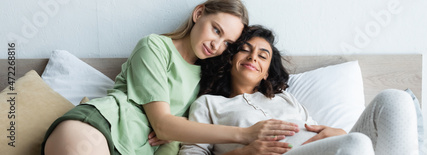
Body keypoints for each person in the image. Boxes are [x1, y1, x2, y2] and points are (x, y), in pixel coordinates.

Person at [42, 1, 299, 155]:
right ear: (199, 14)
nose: (216, 44)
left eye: (227, 42)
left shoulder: (205, 80)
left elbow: (173, 134)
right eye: (216, 30)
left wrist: (178, 130)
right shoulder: (154, 46)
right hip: (99, 128)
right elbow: (163, 124)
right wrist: (244, 135)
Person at [179, 25, 419, 155]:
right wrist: (246, 153)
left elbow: (319, 134)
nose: (254, 57)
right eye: (245, 49)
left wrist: (339, 132)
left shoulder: (286, 99)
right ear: (231, 59)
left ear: (265, 72)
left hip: (332, 149)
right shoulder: (208, 105)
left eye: (263, 55)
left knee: (393, 99)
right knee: (355, 145)